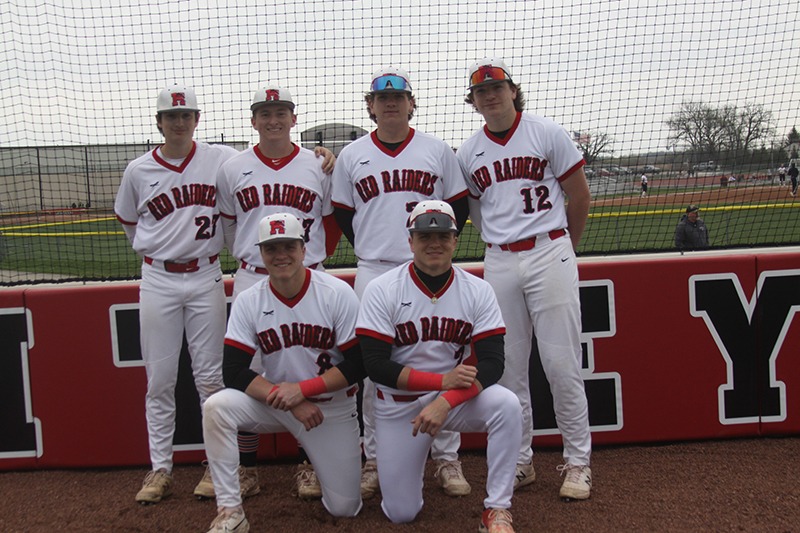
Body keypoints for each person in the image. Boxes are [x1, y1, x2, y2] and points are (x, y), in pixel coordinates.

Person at [331, 67, 471, 499]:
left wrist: (431, 253)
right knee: (375, 373)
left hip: (429, 268)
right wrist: (376, 247)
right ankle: (374, 457)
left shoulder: (437, 150)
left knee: (441, 358)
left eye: (399, 96)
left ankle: (446, 458)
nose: (390, 103)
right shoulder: (353, 154)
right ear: (370, 106)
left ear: (412, 103)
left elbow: (459, 207)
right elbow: (342, 214)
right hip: (374, 271)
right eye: (381, 97)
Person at [457, 58, 593, 501]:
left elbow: (579, 195)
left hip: (548, 248)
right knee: (508, 368)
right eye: (481, 91)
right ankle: (521, 461)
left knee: (560, 363)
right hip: (498, 260)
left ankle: (578, 462)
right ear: (473, 102)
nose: (490, 95)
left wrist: (565, 248)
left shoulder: (546, 131)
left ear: (513, 91)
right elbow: (479, 214)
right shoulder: (468, 152)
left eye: (497, 87)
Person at [357, 200, 522, 532]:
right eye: (424, 236)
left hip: (451, 401)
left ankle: (497, 508)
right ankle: (407, 472)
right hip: (399, 408)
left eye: (443, 236)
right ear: (410, 241)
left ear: (455, 241)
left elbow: (493, 362)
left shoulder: (477, 290)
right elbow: (374, 365)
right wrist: (441, 381)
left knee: (507, 405)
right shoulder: (382, 289)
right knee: (401, 512)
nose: (434, 244)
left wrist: (446, 399)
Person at [114, 84, 240, 504]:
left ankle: (216, 464)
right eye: (172, 117)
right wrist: (161, 249)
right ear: (159, 122)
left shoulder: (219, 157)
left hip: (206, 276)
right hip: (158, 279)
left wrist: (320, 154)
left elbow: (265, 162)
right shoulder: (138, 170)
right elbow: (129, 221)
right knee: (160, 381)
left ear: (196, 120)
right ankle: (160, 469)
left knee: (210, 379)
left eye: (186, 116)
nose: (180, 122)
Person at [202, 213, 365, 533]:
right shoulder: (250, 300)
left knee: (345, 509)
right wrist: (293, 399)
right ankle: (230, 510)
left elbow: (360, 364)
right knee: (216, 407)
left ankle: (322, 467)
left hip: (329, 409)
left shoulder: (336, 292)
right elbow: (233, 370)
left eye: (289, 246)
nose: (281, 255)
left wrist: (303, 390)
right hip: (278, 404)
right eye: (271, 248)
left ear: (304, 250)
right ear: (261, 253)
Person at [214, 85, 338, 501]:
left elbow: (330, 223)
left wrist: (314, 260)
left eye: (281, 112)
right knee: (248, 371)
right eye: (265, 113)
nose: (273, 120)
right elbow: (231, 226)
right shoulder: (233, 168)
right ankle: (246, 468)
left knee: (306, 367)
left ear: (293, 118)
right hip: (253, 275)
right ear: (253, 121)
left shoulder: (317, 165)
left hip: (308, 276)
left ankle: (309, 464)